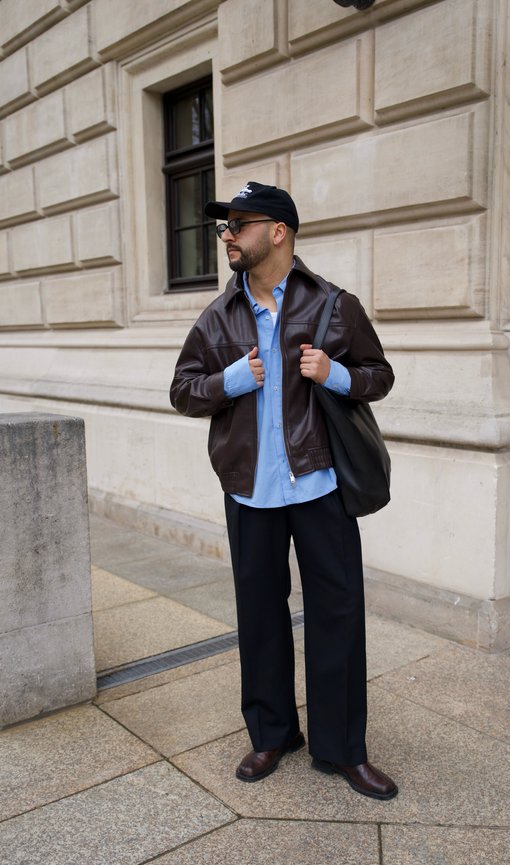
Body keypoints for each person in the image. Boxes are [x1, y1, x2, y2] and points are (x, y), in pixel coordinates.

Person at [170, 181, 397, 800]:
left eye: (238, 225)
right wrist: (231, 380)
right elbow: (182, 390)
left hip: (320, 482)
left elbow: (381, 377)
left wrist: (338, 372)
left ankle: (343, 749)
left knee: (338, 614)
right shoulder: (217, 316)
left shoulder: (334, 305)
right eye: (225, 226)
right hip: (250, 489)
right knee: (260, 616)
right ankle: (273, 734)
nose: (226, 236)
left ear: (278, 232)